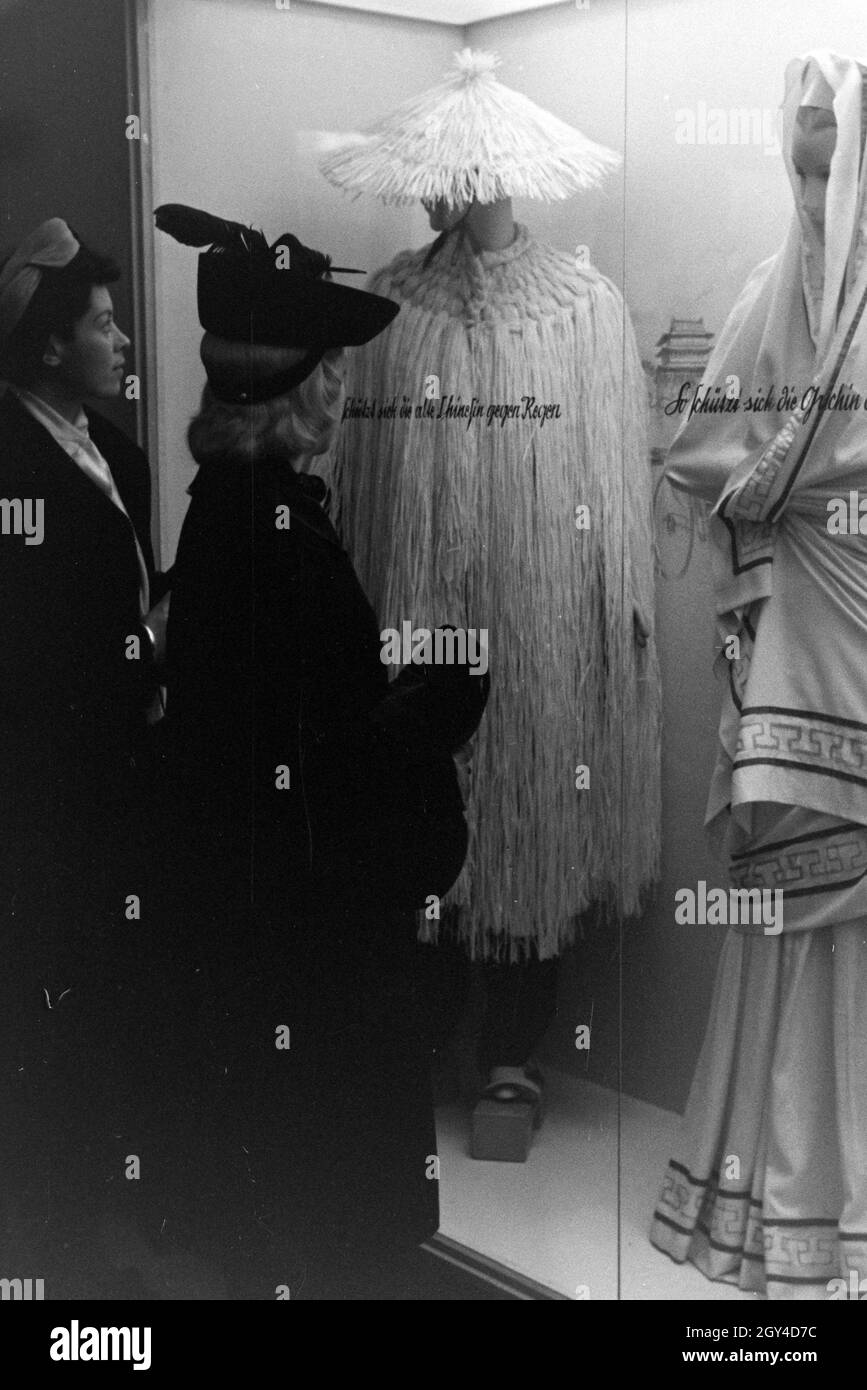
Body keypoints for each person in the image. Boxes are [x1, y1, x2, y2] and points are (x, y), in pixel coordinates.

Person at [320, 50, 660, 1144]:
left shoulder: (585, 312)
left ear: (494, 177)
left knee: (531, 830)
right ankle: (416, 1043)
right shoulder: (385, 311)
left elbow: (611, 485)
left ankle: (512, 1054)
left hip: (539, 629)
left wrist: (618, 621)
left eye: (454, 176)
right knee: (421, 825)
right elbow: (356, 485)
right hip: (415, 625)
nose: (439, 193)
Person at [154, 204, 489, 1298]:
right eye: (336, 368)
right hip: (317, 940)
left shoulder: (228, 508)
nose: (346, 386)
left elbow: (277, 724)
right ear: (308, 387)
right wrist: (440, 703)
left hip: (267, 928)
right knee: (340, 1215)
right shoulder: (277, 528)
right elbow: (324, 759)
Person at [650, 50, 867, 1299]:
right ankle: (775, 1211)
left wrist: (795, 485)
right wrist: (776, 492)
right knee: (793, 918)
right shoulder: (763, 292)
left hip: (844, 628)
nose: (815, 189)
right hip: (793, 637)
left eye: (832, 165)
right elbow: (690, 454)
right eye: (799, 162)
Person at [0, 218, 170, 1293]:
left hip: (122, 767)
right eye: (102, 326)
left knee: (116, 984)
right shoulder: (10, 461)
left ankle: (109, 1196)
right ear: (52, 347)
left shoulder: (117, 448)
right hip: (48, 781)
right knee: (50, 991)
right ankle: (50, 1229)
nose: (120, 341)